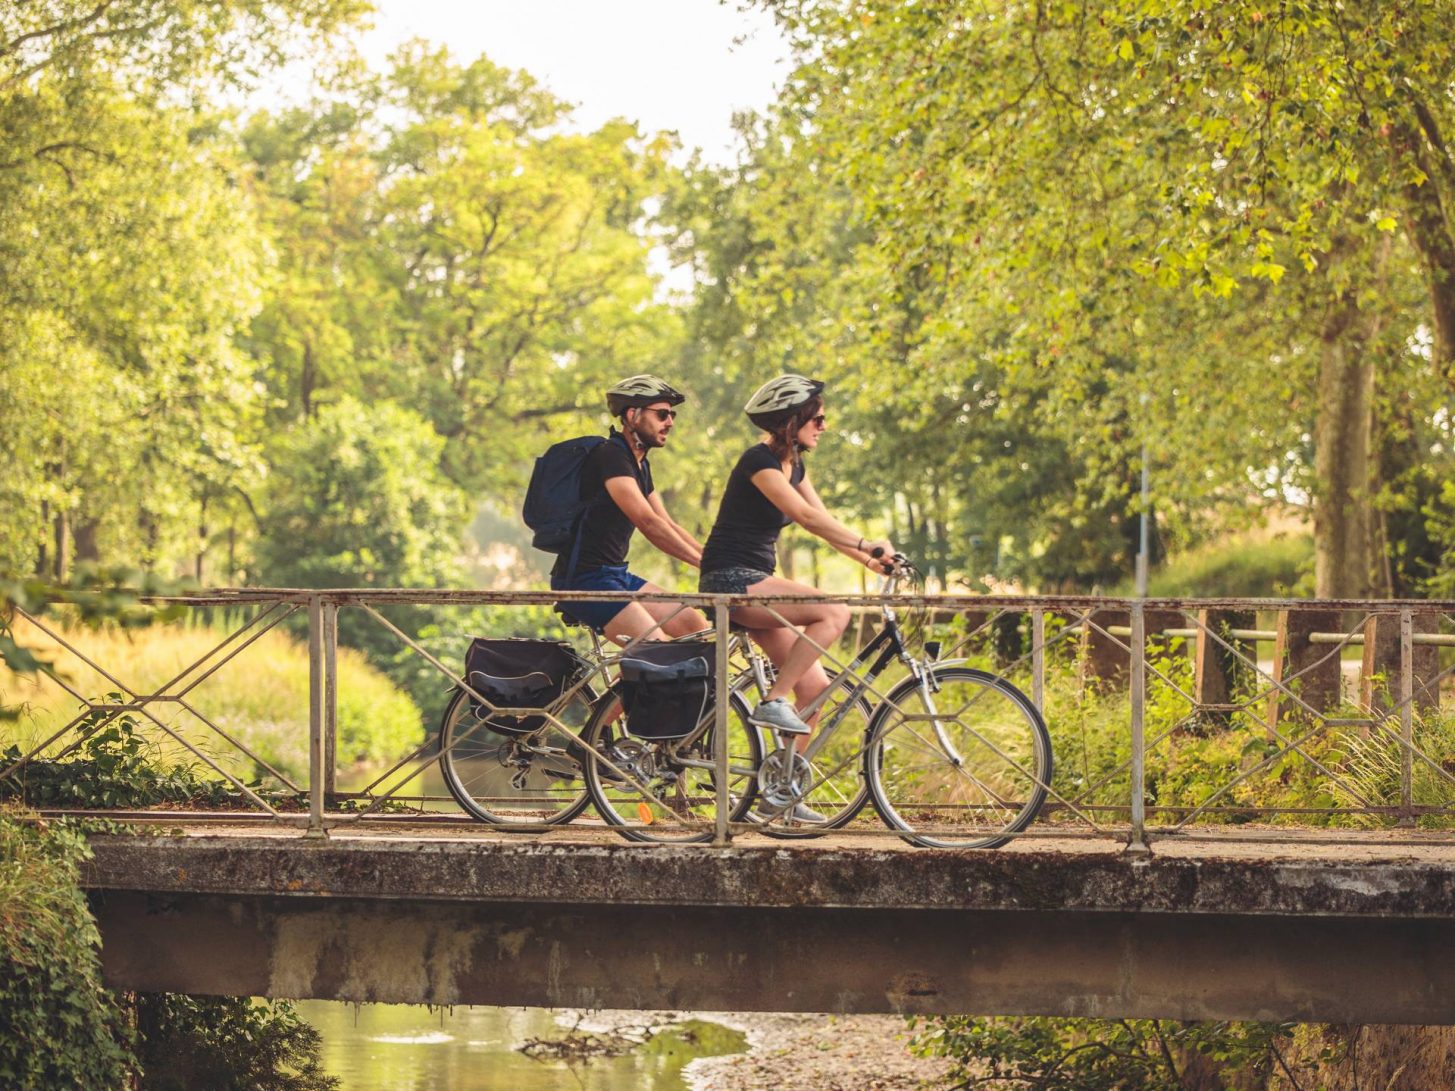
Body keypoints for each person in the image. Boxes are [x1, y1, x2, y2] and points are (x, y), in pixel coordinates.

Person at [698, 374, 894, 760]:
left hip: (756, 584)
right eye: (817, 419)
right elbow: (803, 515)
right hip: (730, 579)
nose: (824, 426)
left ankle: (781, 790)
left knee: (816, 689)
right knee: (833, 610)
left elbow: (824, 524)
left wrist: (876, 561)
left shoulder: (796, 465)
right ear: (792, 421)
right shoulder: (759, 461)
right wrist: (865, 544)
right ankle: (774, 699)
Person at [551, 374, 707, 644]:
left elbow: (666, 523)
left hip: (615, 575)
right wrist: (705, 566)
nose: (669, 422)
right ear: (633, 415)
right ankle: (643, 680)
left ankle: (633, 685)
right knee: (654, 647)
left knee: (694, 626)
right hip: (583, 581)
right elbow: (648, 523)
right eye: (661, 414)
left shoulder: (640, 465)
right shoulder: (610, 456)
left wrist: (715, 561)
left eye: (672, 415)